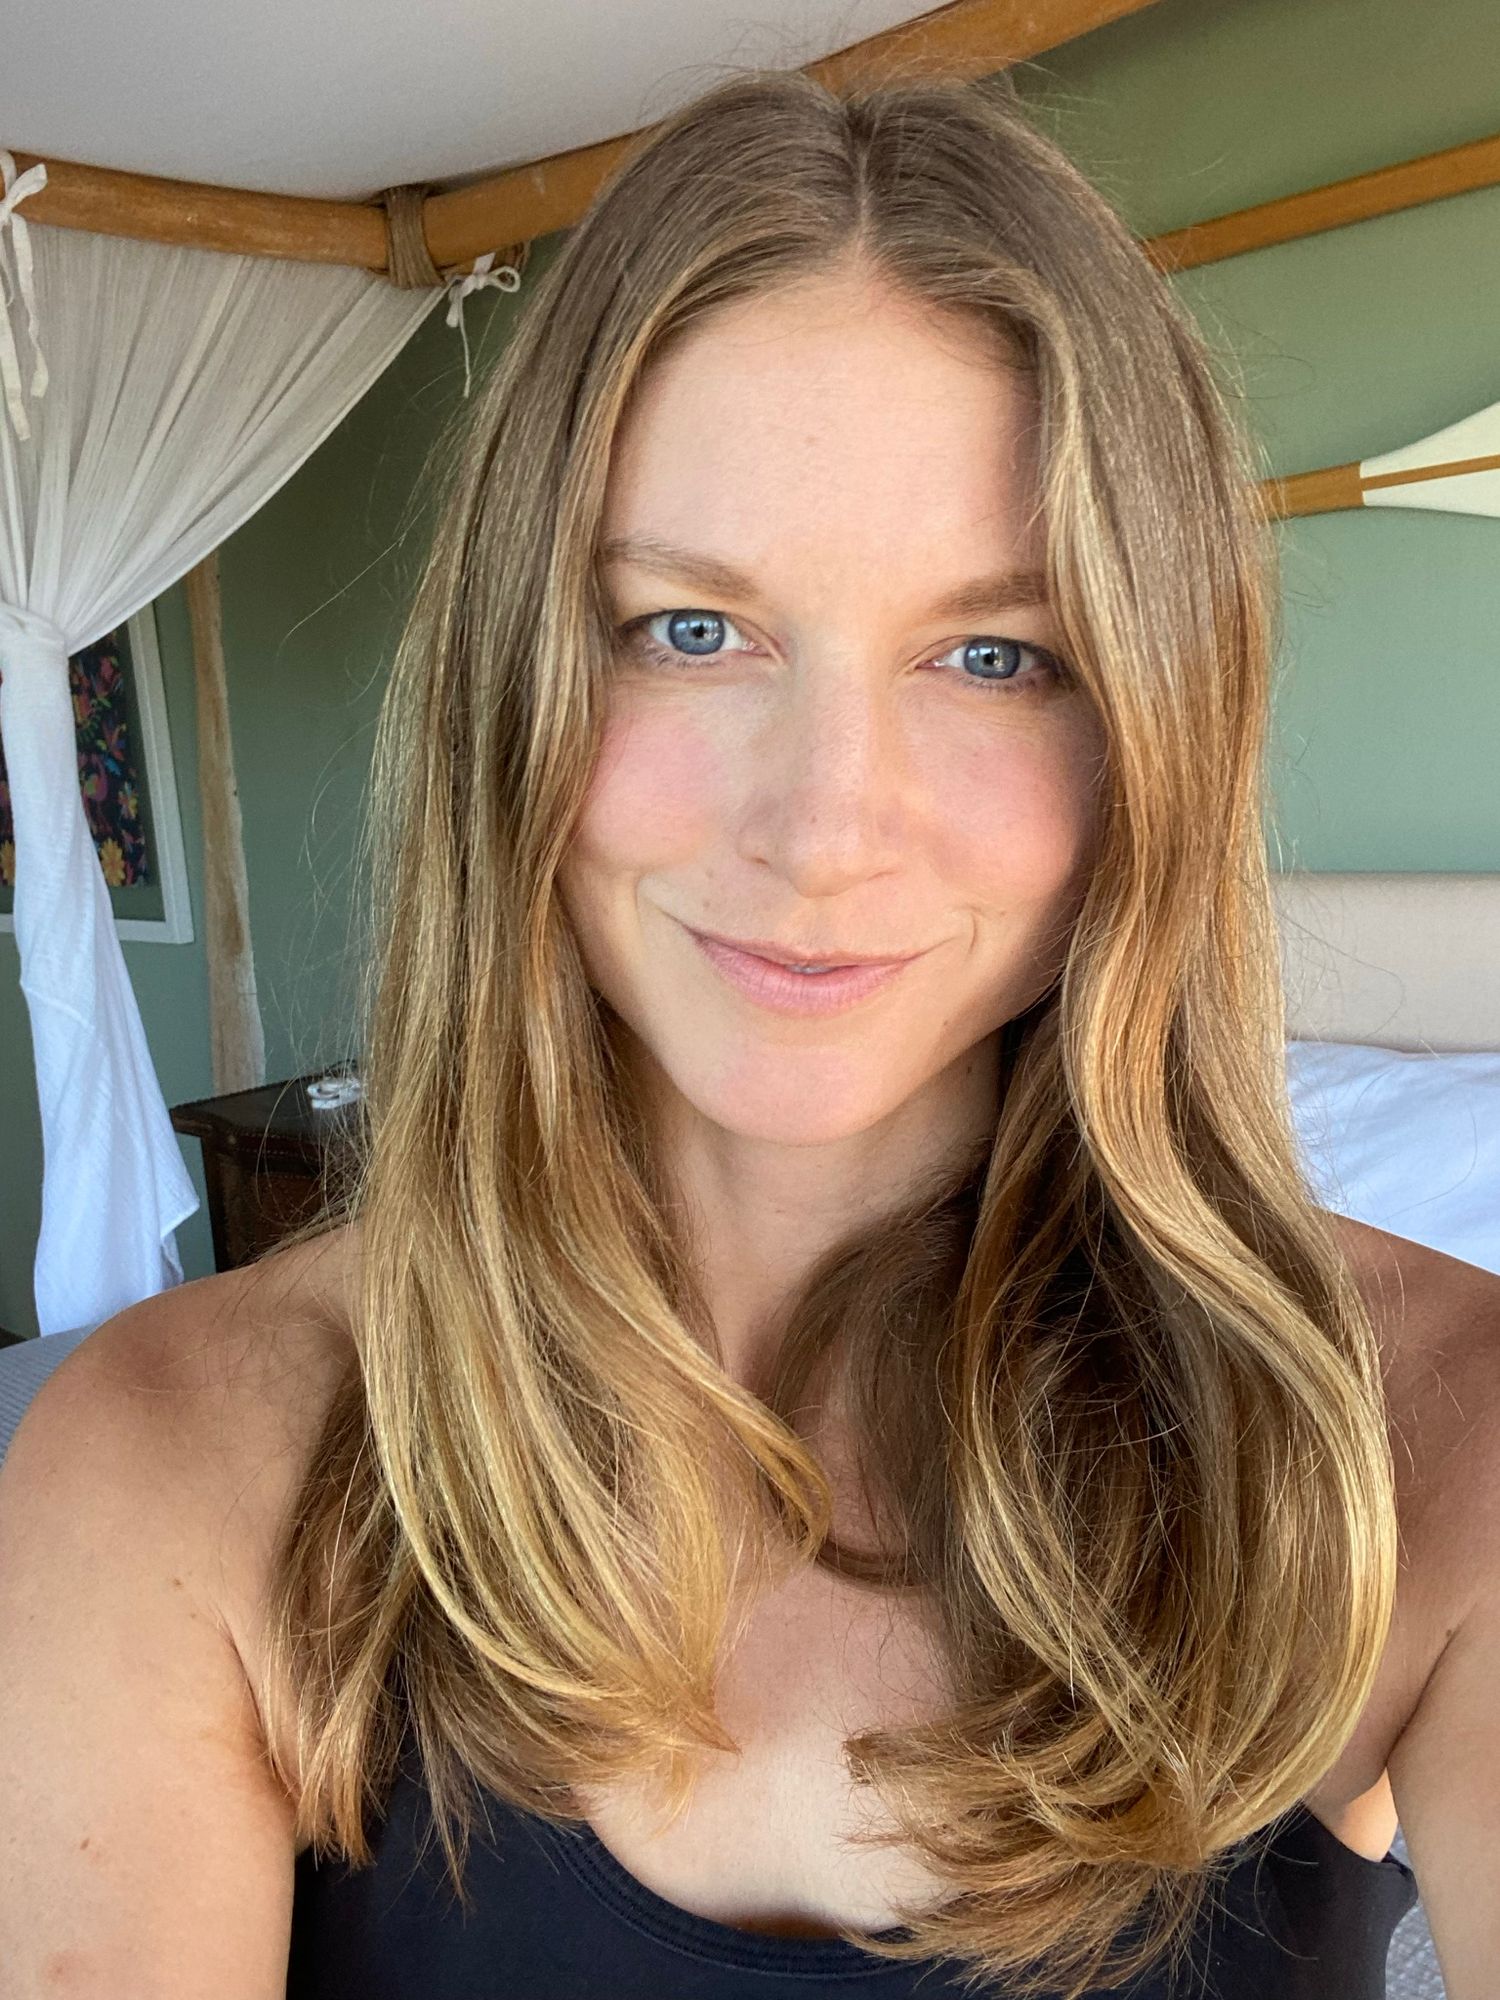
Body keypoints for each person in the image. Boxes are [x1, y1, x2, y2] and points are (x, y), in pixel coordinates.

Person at [1, 62, 1495, 2000]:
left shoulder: (1433, 1438)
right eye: (691, 630)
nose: (823, 826)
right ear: (514, 686)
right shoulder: (169, 1458)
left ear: (1150, 736)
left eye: (995, 654)